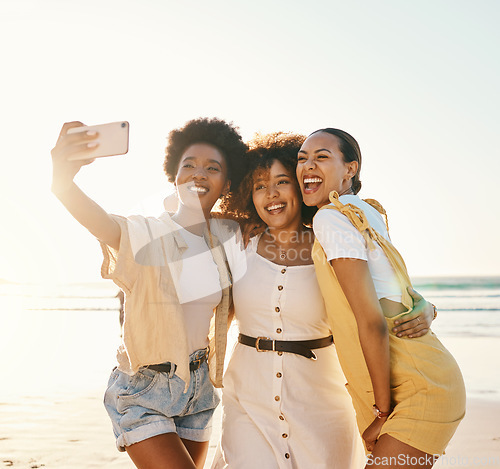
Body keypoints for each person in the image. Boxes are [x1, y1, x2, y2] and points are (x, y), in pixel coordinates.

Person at [210, 133, 434, 469]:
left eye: (282, 181)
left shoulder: (333, 238)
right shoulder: (240, 242)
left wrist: (426, 309)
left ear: (299, 187)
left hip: (323, 402)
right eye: (259, 186)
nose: (271, 193)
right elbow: (179, 233)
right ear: (248, 195)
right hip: (247, 397)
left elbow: (389, 288)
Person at [50, 118, 247, 469]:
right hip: (145, 389)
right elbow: (104, 224)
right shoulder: (148, 233)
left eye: (212, 168)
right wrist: (63, 183)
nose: (198, 174)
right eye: (189, 165)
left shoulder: (224, 240)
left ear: (226, 183)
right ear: (174, 175)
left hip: (199, 388)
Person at [297, 128, 466, 468]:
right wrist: (427, 308)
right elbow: (396, 294)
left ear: (350, 169)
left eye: (322, 157)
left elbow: (372, 323)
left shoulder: (332, 217)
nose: (308, 166)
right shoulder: (365, 212)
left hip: (415, 389)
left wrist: (382, 412)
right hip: (428, 375)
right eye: (302, 159)